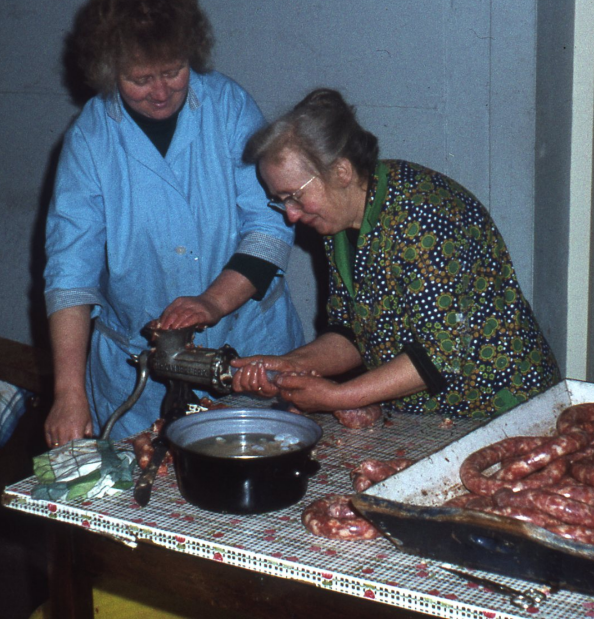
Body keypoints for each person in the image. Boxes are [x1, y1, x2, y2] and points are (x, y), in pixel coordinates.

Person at [43, 0, 304, 446]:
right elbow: (70, 271)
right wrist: (68, 392)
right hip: (138, 375)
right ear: (108, 72)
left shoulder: (228, 107)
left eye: (173, 71)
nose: (161, 93)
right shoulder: (89, 140)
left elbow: (269, 224)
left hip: (248, 343)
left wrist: (213, 302)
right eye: (140, 79)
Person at [233, 88, 559, 422]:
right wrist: (293, 365)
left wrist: (339, 396)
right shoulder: (340, 221)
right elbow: (351, 333)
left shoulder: (425, 217)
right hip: (429, 414)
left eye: (294, 196)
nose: (290, 215)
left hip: (501, 406)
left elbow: (438, 356)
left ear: (341, 172)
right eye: (281, 200)